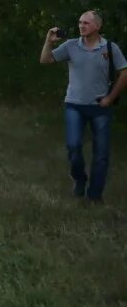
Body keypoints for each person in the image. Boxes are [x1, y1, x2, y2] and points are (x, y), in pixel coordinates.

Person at [41, 11, 127, 202]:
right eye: (80, 22)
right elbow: (45, 60)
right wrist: (49, 41)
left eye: (86, 23)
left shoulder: (110, 48)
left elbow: (124, 73)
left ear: (98, 26)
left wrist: (111, 98)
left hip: (100, 107)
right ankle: (79, 179)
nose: (81, 26)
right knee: (73, 146)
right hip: (74, 105)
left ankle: (94, 196)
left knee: (101, 154)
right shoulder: (71, 45)